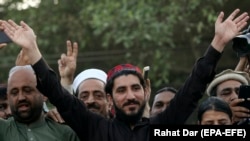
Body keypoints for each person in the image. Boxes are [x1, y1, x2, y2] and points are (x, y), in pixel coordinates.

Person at [1, 8, 249, 141]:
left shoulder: (162, 126)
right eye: (121, 89)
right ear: (110, 99)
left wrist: (217, 44)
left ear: (145, 92)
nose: (130, 95)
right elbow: (57, 93)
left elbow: (193, 89)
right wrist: (32, 51)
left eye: (135, 88)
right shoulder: (95, 129)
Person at [0, 65, 80, 141]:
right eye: (14, 93)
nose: (21, 97)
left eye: (27, 90)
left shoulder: (65, 133)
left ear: (44, 94)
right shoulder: (3, 129)